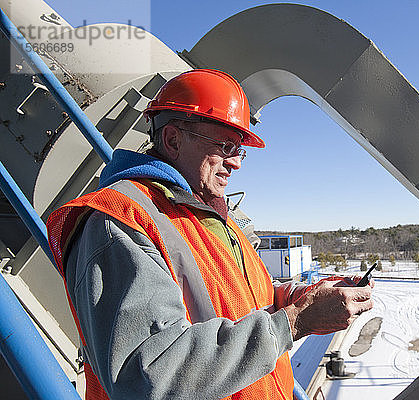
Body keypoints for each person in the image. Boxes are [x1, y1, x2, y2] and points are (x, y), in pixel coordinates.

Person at [47, 69, 373, 400]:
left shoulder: (212, 215)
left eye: (240, 150)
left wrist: (307, 297)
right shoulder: (121, 220)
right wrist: (295, 322)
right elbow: (151, 376)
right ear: (173, 140)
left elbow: (249, 301)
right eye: (226, 146)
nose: (237, 164)